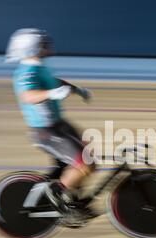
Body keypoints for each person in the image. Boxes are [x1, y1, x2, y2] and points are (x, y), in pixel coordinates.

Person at [5, 28, 95, 226]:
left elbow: (55, 83)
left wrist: (76, 90)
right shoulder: (26, 72)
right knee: (85, 164)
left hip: (58, 126)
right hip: (47, 132)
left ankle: (72, 196)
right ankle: (58, 196)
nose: (49, 45)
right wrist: (53, 94)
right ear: (34, 48)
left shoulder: (38, 67)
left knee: (89, 156)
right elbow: (28, 96)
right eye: (45, 43)